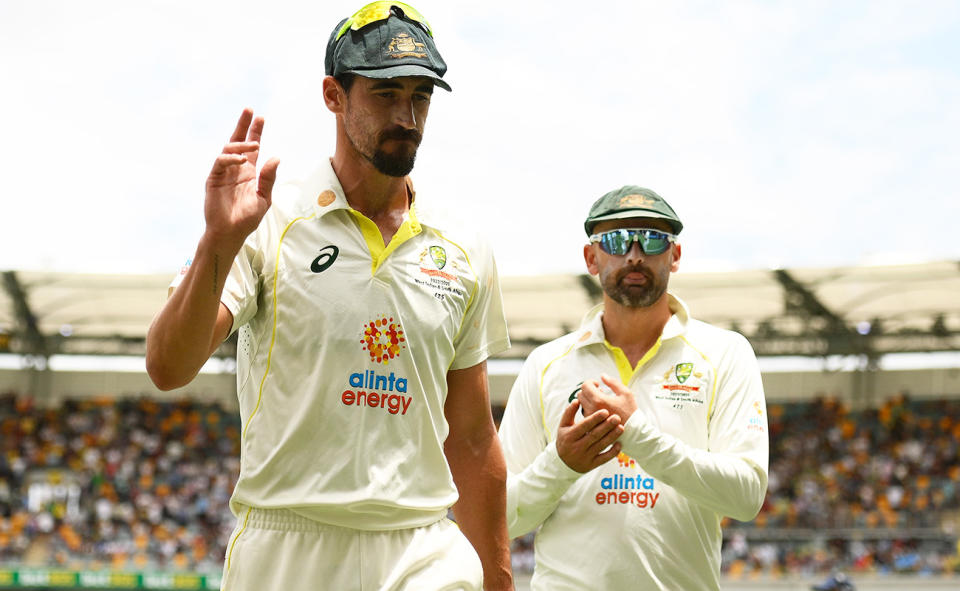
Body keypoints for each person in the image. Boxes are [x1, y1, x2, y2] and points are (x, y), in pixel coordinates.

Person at [145, 3, 513, 590]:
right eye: (386, 93)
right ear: (333, 96)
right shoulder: (267, 217)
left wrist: (498, 578)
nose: (408, 115)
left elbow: (471, 436)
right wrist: (220, 238)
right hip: (288, 544)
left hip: (421, 546)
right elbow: (168, 366)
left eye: (421, 95)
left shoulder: (464, 245)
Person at [497, 186, 769, 590]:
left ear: (675, 256)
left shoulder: (725, 353)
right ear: (592, 257)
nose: (635, 254)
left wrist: (638, 434)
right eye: (617, 239)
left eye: (653, 238)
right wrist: (562, 463)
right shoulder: (546, 364)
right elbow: (503, 515)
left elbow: (746, 497)